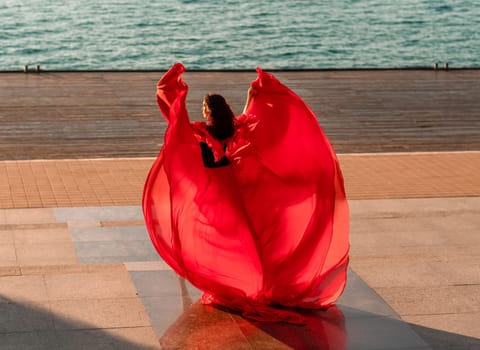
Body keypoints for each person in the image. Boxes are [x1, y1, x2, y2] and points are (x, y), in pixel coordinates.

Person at [143, 63, 349, 323]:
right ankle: (256, 281)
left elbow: (178, 124)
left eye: (205, 109)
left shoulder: (204, 131)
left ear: (209, 112)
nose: (204, 112)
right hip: (234, 187)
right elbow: (248, 113)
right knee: (248, 238)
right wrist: (255, 93)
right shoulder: (235, 126)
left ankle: (239, 281)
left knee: (223, 237)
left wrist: (172, 93)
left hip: (215, 189)